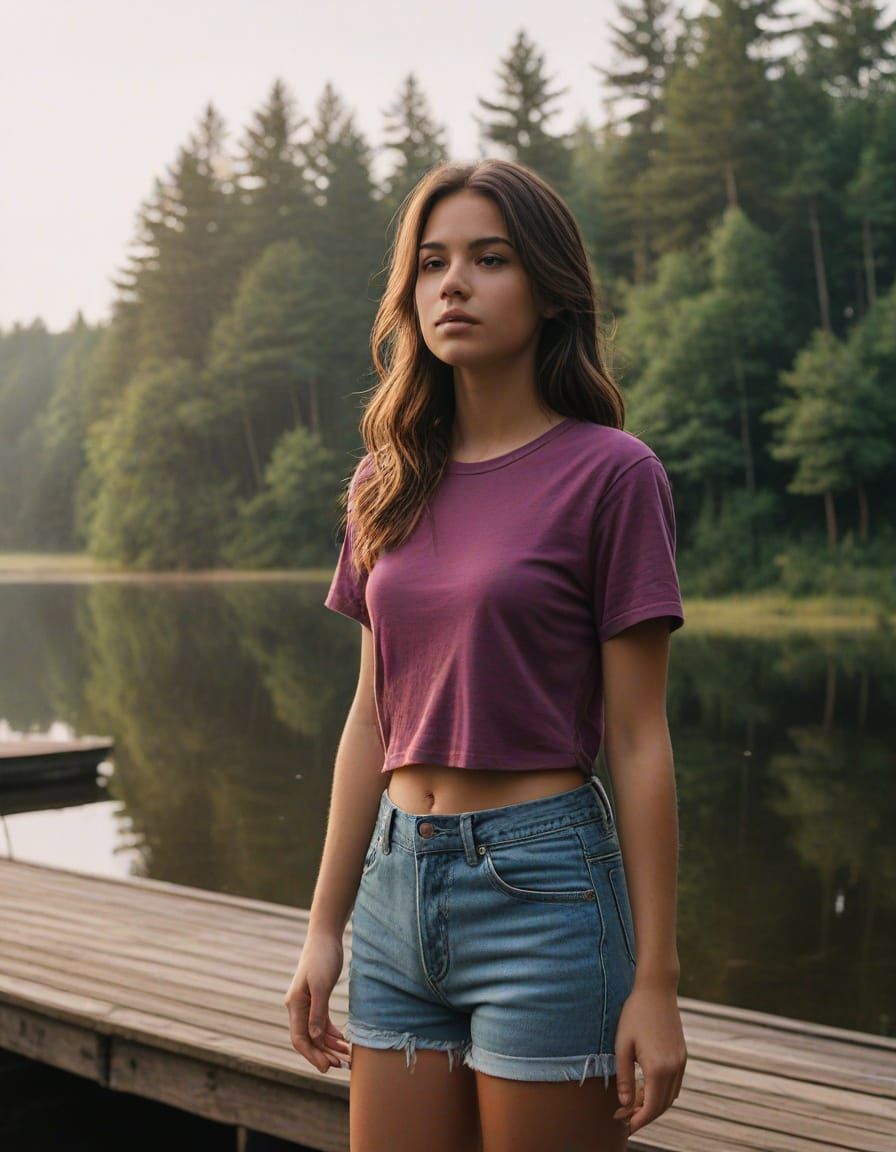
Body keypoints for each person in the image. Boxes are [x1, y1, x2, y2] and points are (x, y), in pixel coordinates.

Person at [285, 157, 688, 1152]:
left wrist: (656, 979)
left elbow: (639, 740)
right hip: (392, 890)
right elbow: (371, 718)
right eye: (431, 263)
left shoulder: (611, 475)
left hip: (545, 894)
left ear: (549, 290)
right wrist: (323, 929)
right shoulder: (384, 482)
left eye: (488, 259)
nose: (453, 284)